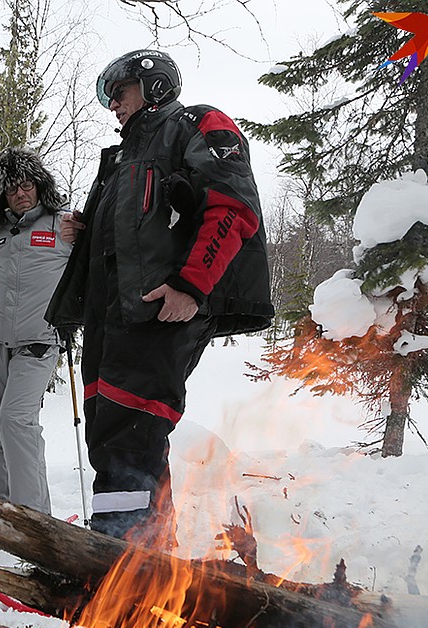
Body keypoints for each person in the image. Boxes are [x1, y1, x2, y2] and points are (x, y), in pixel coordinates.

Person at [46, 50, 274, 542]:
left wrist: (191, 285)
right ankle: (142, 545)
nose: (113, 106)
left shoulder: (195, 124)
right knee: (111, 430)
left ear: (154, 86)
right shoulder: (124, 156)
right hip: (113, 315)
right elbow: (136, 234)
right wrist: (84, 231)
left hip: (161, 311)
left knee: (131, 429)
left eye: (119, 92)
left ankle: (125, 550)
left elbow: (233, 207)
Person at [0, 148, 71, 514]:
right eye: (10, 189)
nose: (20, 194)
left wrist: (75, 313)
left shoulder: (64, 224)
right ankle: (0, 514)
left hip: (39, 339)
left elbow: (94, 272)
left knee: (15, 421)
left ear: (39, 185)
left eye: (26, 185)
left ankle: (32, 518)